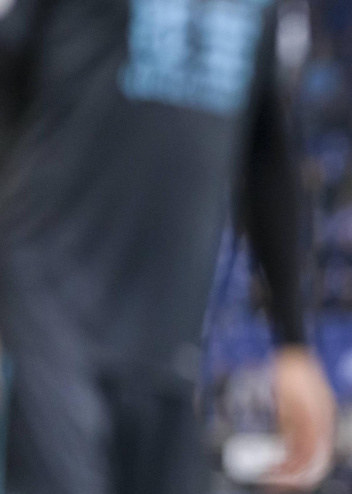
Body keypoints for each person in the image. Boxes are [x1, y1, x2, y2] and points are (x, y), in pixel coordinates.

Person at [0, 1, 334, 493]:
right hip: (45, 322)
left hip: (163, 348)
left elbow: (266, 153)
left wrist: (293, 346)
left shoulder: (259, 11)